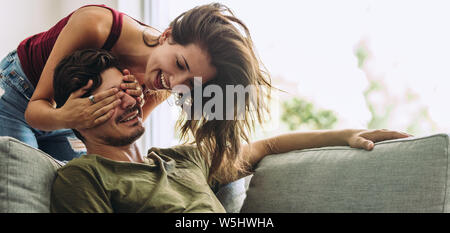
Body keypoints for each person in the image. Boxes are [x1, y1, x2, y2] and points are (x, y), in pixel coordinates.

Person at [50, 49, 411, 213]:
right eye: (108, 99)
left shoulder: (184, 159)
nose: (128, 102)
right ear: (77, 114)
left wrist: (344, 135)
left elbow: (265, 145)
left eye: (127, 91)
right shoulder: (83, 177)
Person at [0, 3, 272, 170]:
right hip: (18, 94)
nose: (175, 83)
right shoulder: (96, 25)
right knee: (26, 172)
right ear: (166, 35)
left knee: (70, 183)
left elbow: (121, 134)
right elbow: (36, 110)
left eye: (191, 83)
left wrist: (133, 109)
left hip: (72, 118)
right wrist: (69, 116)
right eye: (179, 63)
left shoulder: (166, 82)